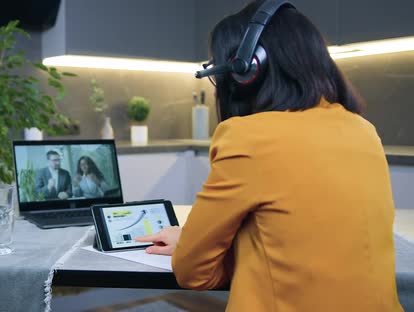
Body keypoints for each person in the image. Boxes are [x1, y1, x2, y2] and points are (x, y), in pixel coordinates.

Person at [136, 1, 404, 311]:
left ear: (245, 71)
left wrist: (189, 246)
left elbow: (194, 274)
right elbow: (309, 244)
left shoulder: (249, 137)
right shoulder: (363, 130)